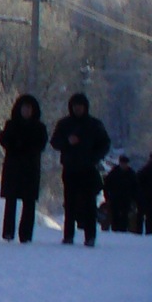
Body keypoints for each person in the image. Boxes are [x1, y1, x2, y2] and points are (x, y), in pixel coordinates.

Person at [50, 93, 111, 247]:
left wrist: (94, 157)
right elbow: (54, 142)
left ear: (85, 107)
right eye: (75, 106)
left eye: (80, 106)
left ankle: (90, 237)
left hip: (88, 170)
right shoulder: (64, 124)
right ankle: (68, 236)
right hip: (70, 169)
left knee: (89, 204)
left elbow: (105, 144)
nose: (77, 108)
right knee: (69, 204)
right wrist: (67, 142)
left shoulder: (94, 125)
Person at [0, 94, 47, 243]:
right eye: (24, 108)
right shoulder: (11, 125)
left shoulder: (39, 127)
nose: (26, 111)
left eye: (29, 109)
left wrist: (24, 146)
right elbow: (5, 140)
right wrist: (16, 144)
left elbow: (41, 145)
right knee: (10, 202)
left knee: (29, 203)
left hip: (30, 169)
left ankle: (26, 235)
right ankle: (8, 233)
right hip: (13, 168)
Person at [103, 154, 138, 235]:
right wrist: (107, 197)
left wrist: (135, 199)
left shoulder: (131, 174)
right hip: (115, 199)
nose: (124, 165)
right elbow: (106, 186)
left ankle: (123, 232)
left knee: (125, 217)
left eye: (125, 163)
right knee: (115, 216)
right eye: (122, 163)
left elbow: (136, 188)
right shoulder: (114, 173)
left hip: (127, 199)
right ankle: (115, 232)